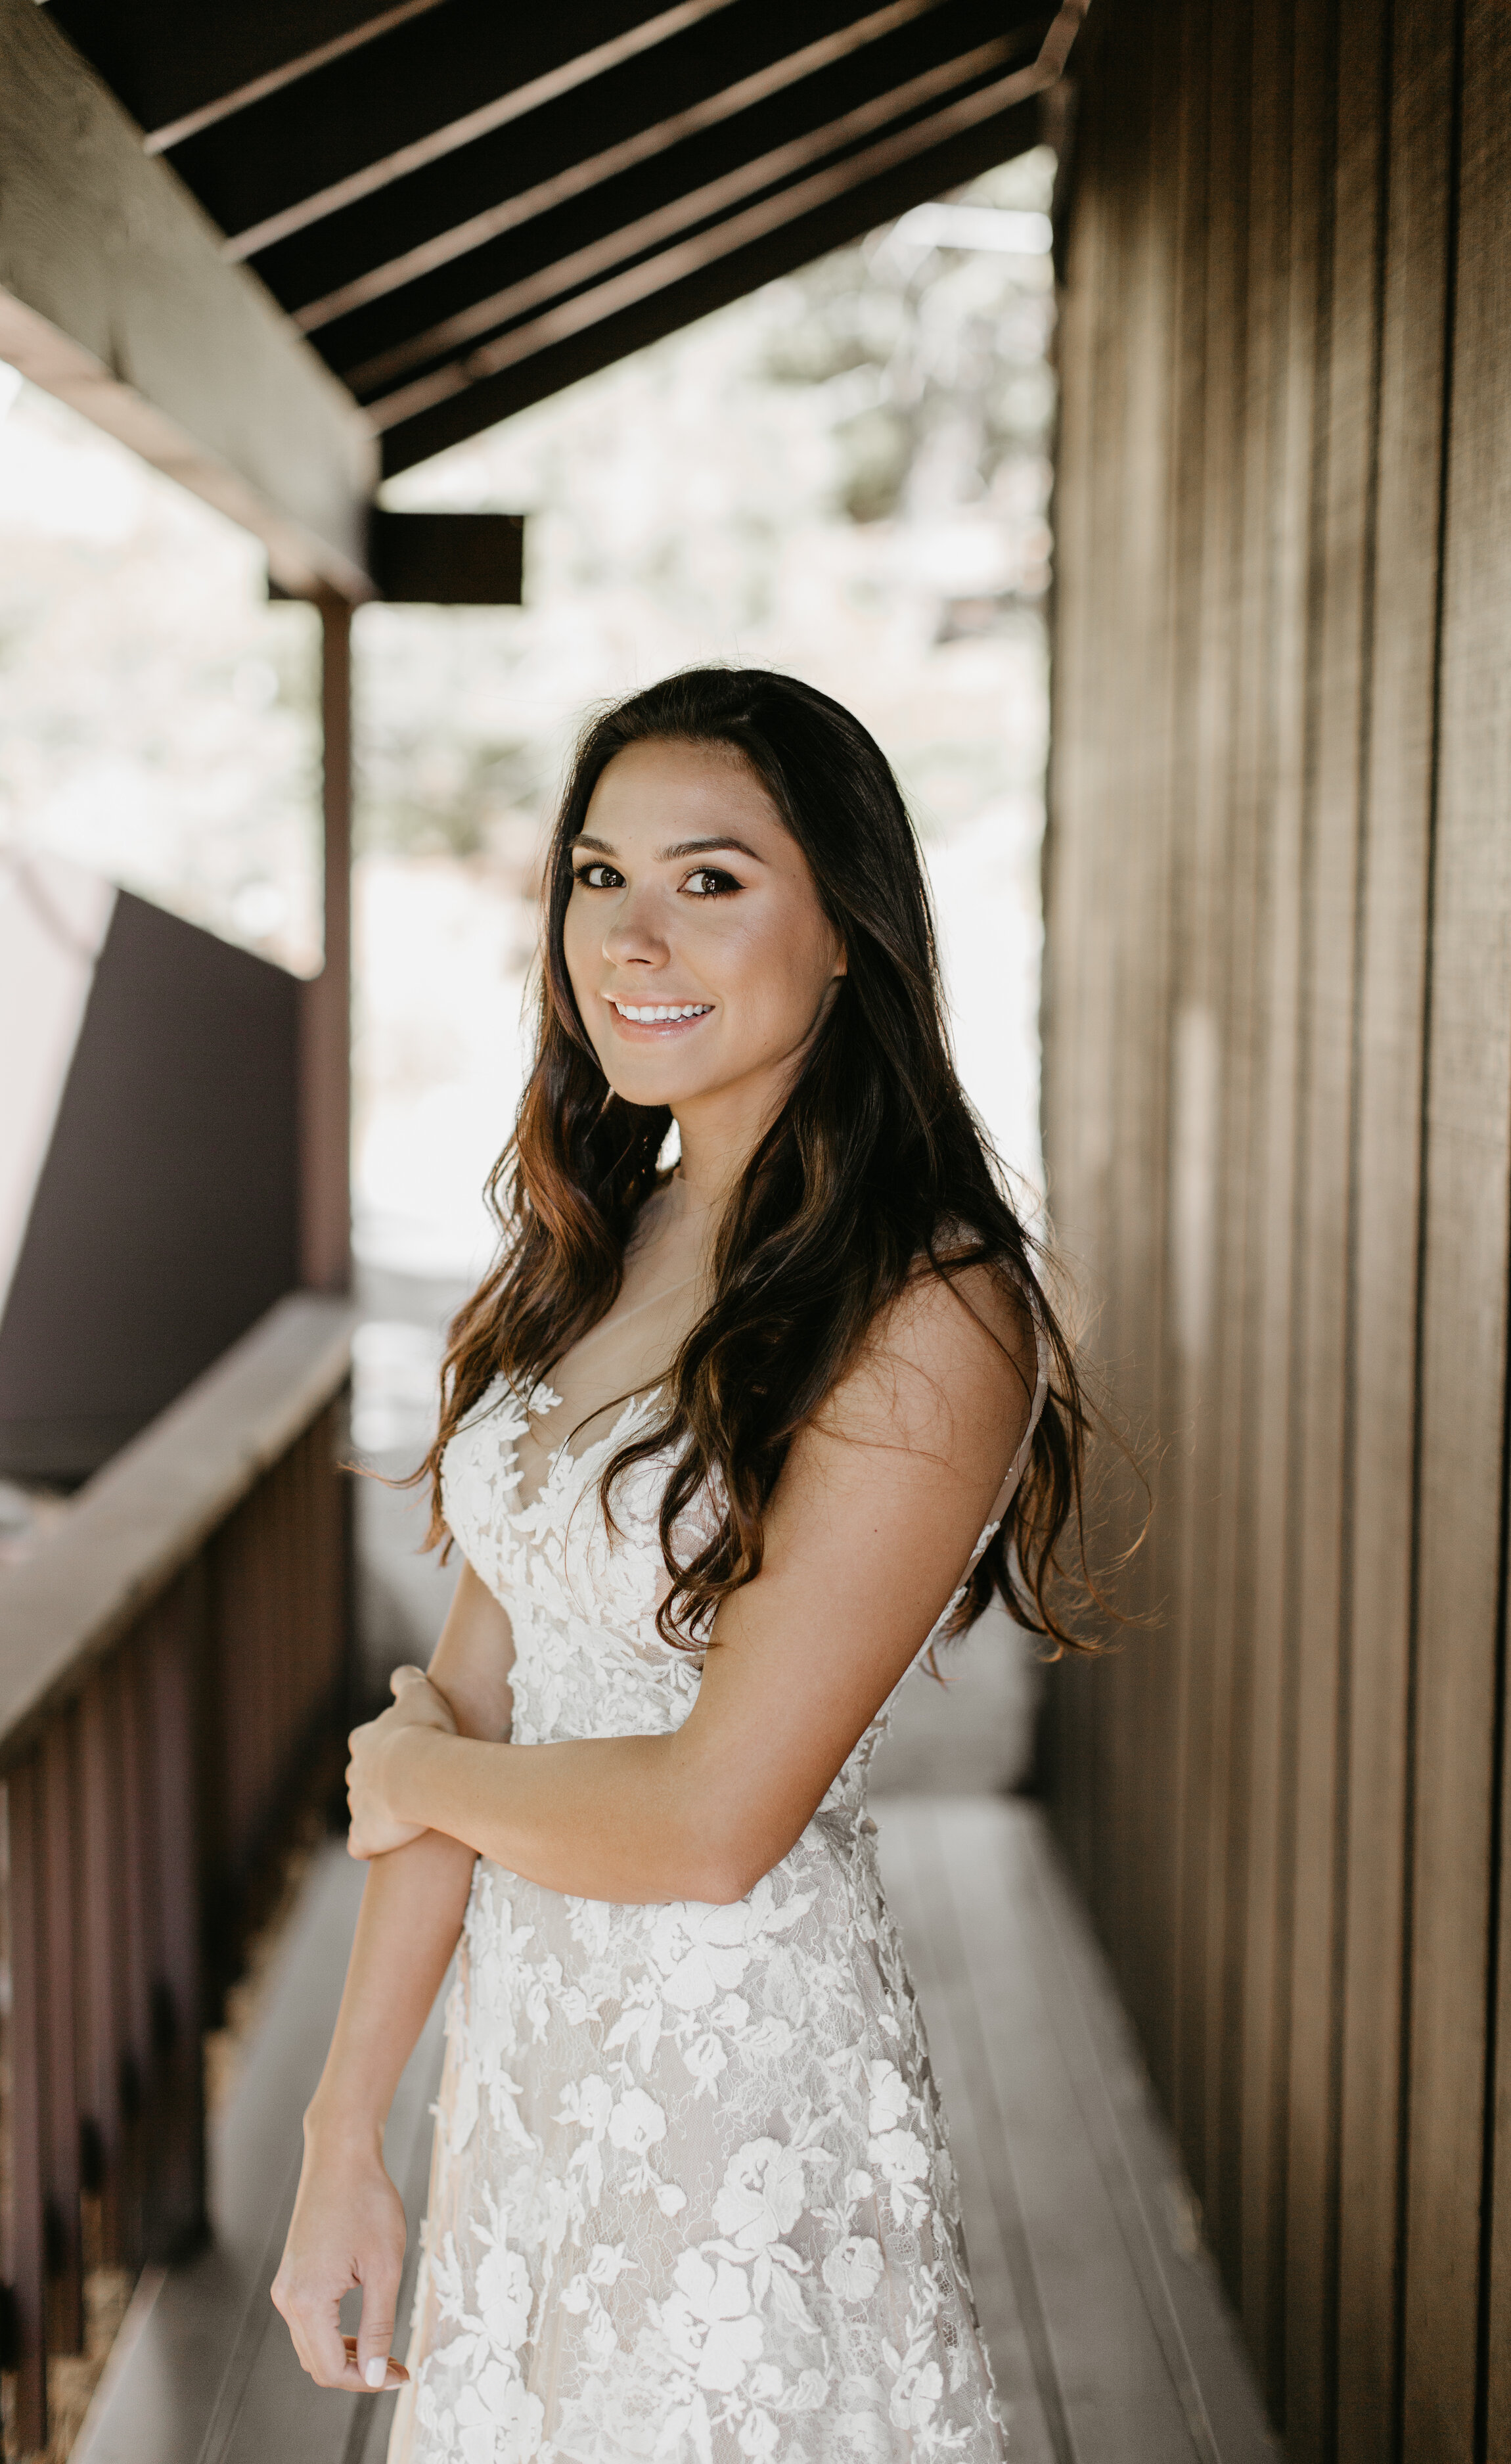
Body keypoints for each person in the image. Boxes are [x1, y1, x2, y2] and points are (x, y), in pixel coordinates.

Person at [271, 667, 1097, 2461]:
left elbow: (716, 1821)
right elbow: (471, 1687)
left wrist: (416, 1774)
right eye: (594, 874)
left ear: (847, 933)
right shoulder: (597, 1242)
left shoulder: (930, 1305)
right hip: (523, 2097)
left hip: (739, 2109)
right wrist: (349, 2135)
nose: (630, 936)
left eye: (710, 880)